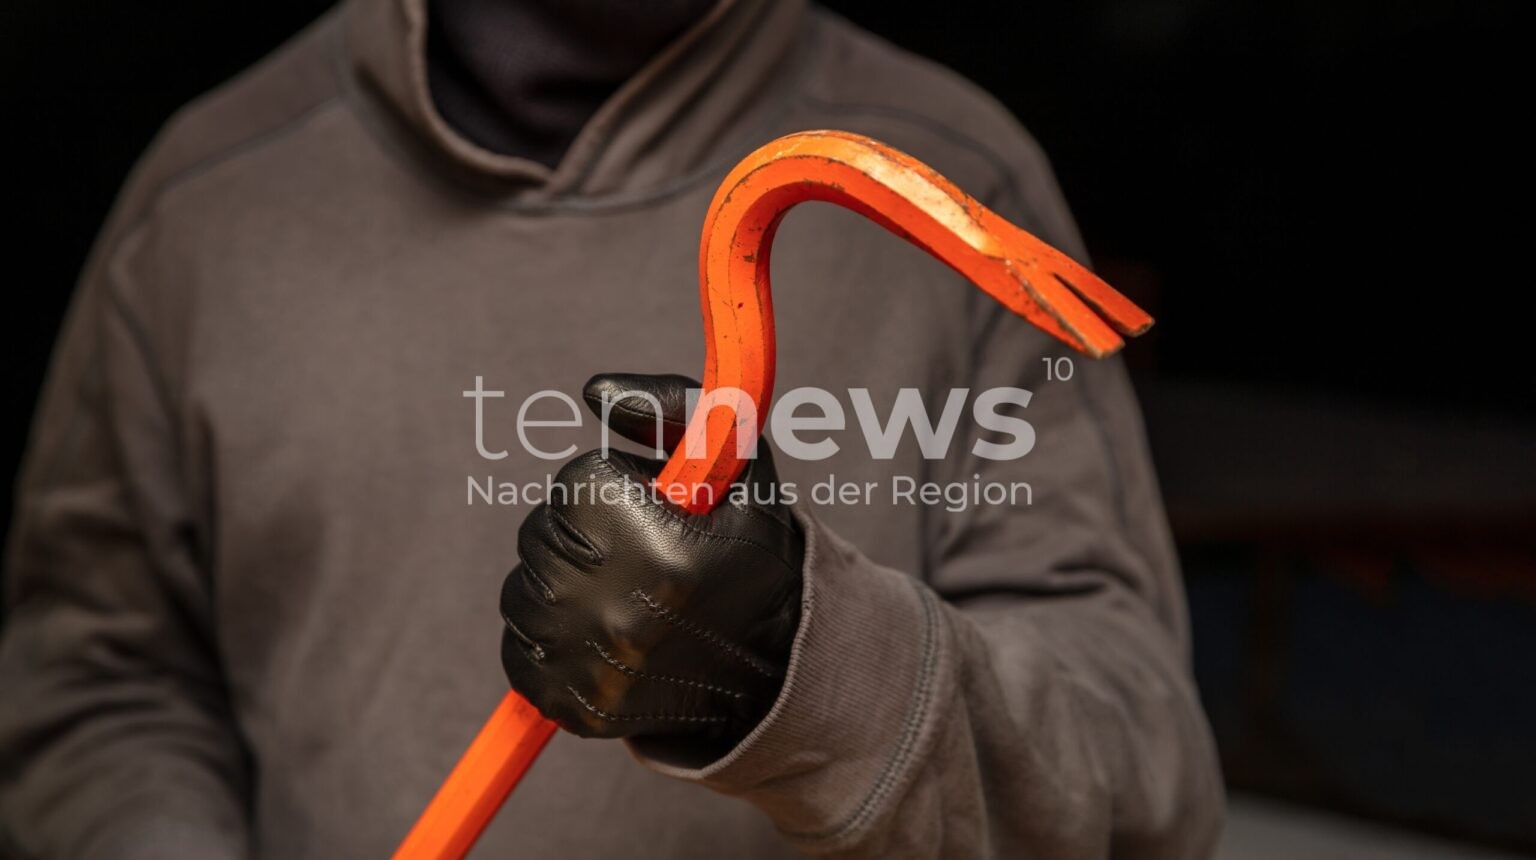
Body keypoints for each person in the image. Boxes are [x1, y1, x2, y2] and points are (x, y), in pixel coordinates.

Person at [0, 0, 1224, 856]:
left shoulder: (966, 164)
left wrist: (804, 665)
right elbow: (94, 679)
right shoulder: (206, 203)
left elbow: (1144, 781)